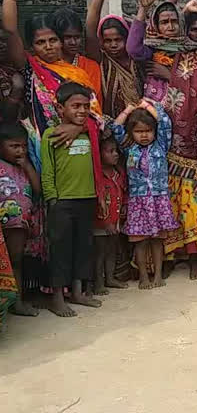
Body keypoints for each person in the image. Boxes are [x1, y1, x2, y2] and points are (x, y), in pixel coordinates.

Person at [1, 0, 103, 295]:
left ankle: (70, 286)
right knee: (42, 219)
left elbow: (97, 115)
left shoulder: (77, 74)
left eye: (53, 40)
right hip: (39, 150)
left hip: (75, 158)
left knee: (72, 227)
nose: (48, 47)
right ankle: (41, 288)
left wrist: (76, 126)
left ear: (62, 41)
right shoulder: (30, 66)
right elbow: (11, 30)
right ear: (33, 46)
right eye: (41, 42)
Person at [126, 0, 197, 279]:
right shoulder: (149, 49)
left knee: (190, 198)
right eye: (163, 21)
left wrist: (169, 73)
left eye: (174, 21)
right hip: (155, 138)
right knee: (162, 198)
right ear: (156, 25)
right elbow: (133, 47)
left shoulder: (195, 52)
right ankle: (166, 258)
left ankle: (195, 258)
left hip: (187, 138)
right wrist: (142, 8)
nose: (170, 27)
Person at [41, 82, 104, 316]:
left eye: (85, 106)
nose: (81, 111)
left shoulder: (90, 132)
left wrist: (83, 127)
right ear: (60, 109)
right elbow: (47, 170)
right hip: (62, 202)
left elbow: (101, 124)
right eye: (75, 106)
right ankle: (57, 297)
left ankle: (78, 292)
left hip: (87, 198)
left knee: (83, 247)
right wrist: (52, 199)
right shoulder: (51, 134)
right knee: (60, 249)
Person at [110, 100, 178, 289]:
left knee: (157, 240)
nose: (144, 135)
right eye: (139, 131)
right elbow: (115, 127)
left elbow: (164, 121)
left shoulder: (161, 146)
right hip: (138, 201)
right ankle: (143, 276)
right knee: (140, 241)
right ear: (132, 133)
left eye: (148, 131)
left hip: (158, 198)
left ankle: (157, 275)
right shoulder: (129, 148)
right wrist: (130, 109)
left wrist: (146, 106)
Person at [84, 0, 144, 119]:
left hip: (143, 125)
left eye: (118, 40)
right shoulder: (103, 60)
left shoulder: (137, 58)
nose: (113, 45)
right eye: (108, 41)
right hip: (113, 125)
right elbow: (90, 34)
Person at [0, 121, 40, 316]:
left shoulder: (26, 166)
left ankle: (18, 303)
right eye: (14, 146)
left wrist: (27, 166)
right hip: (4, 223)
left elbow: (37, 188)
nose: (20, 151)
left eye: (23, 146)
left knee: (16, 261)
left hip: (19, 223)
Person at [91, 135, 128, 295]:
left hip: (116, 220)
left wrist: (125, 208)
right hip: (101, 223)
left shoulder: (118, 173)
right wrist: (106, 222)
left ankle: (110, 278)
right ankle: (99, 283)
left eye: (116, 151)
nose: (115, 154)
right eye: (110, 151)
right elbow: (96, 203)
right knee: (100, 252)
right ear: (99, 154)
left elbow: (124, 192)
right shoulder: (97, 176)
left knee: (112, 249)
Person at [51, 7, 103, 105]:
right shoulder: (47, 66)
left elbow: (94, 102)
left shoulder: (90, 66)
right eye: (67, 37)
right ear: (57, 37)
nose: (73, 42)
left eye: (77, 37)